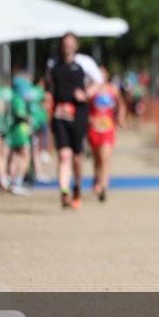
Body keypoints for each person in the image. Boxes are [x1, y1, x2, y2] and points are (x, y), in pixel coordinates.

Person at [48, 33, 101, 209]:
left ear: (76, 46)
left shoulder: (84, 63)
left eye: (71, 43)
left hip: (78, 114)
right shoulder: (53, 64)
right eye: (65, 43)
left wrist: (86, 94)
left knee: (77, 157)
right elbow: (47, 86)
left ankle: (77, 186)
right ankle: (64, 191)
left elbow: (99, 81)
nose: (67, 46)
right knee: (64, 155)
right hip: (59, 114)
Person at [88, 66, 126, 202]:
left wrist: (121, 117)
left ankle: (103, 187)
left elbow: (121, 104)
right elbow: (84, 107)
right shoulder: (91, 90)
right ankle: (96, 178)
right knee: (97, 158)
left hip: (108, 129)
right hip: (93, 129)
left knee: (105, 157)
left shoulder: (112, 89)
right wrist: (89, 119)